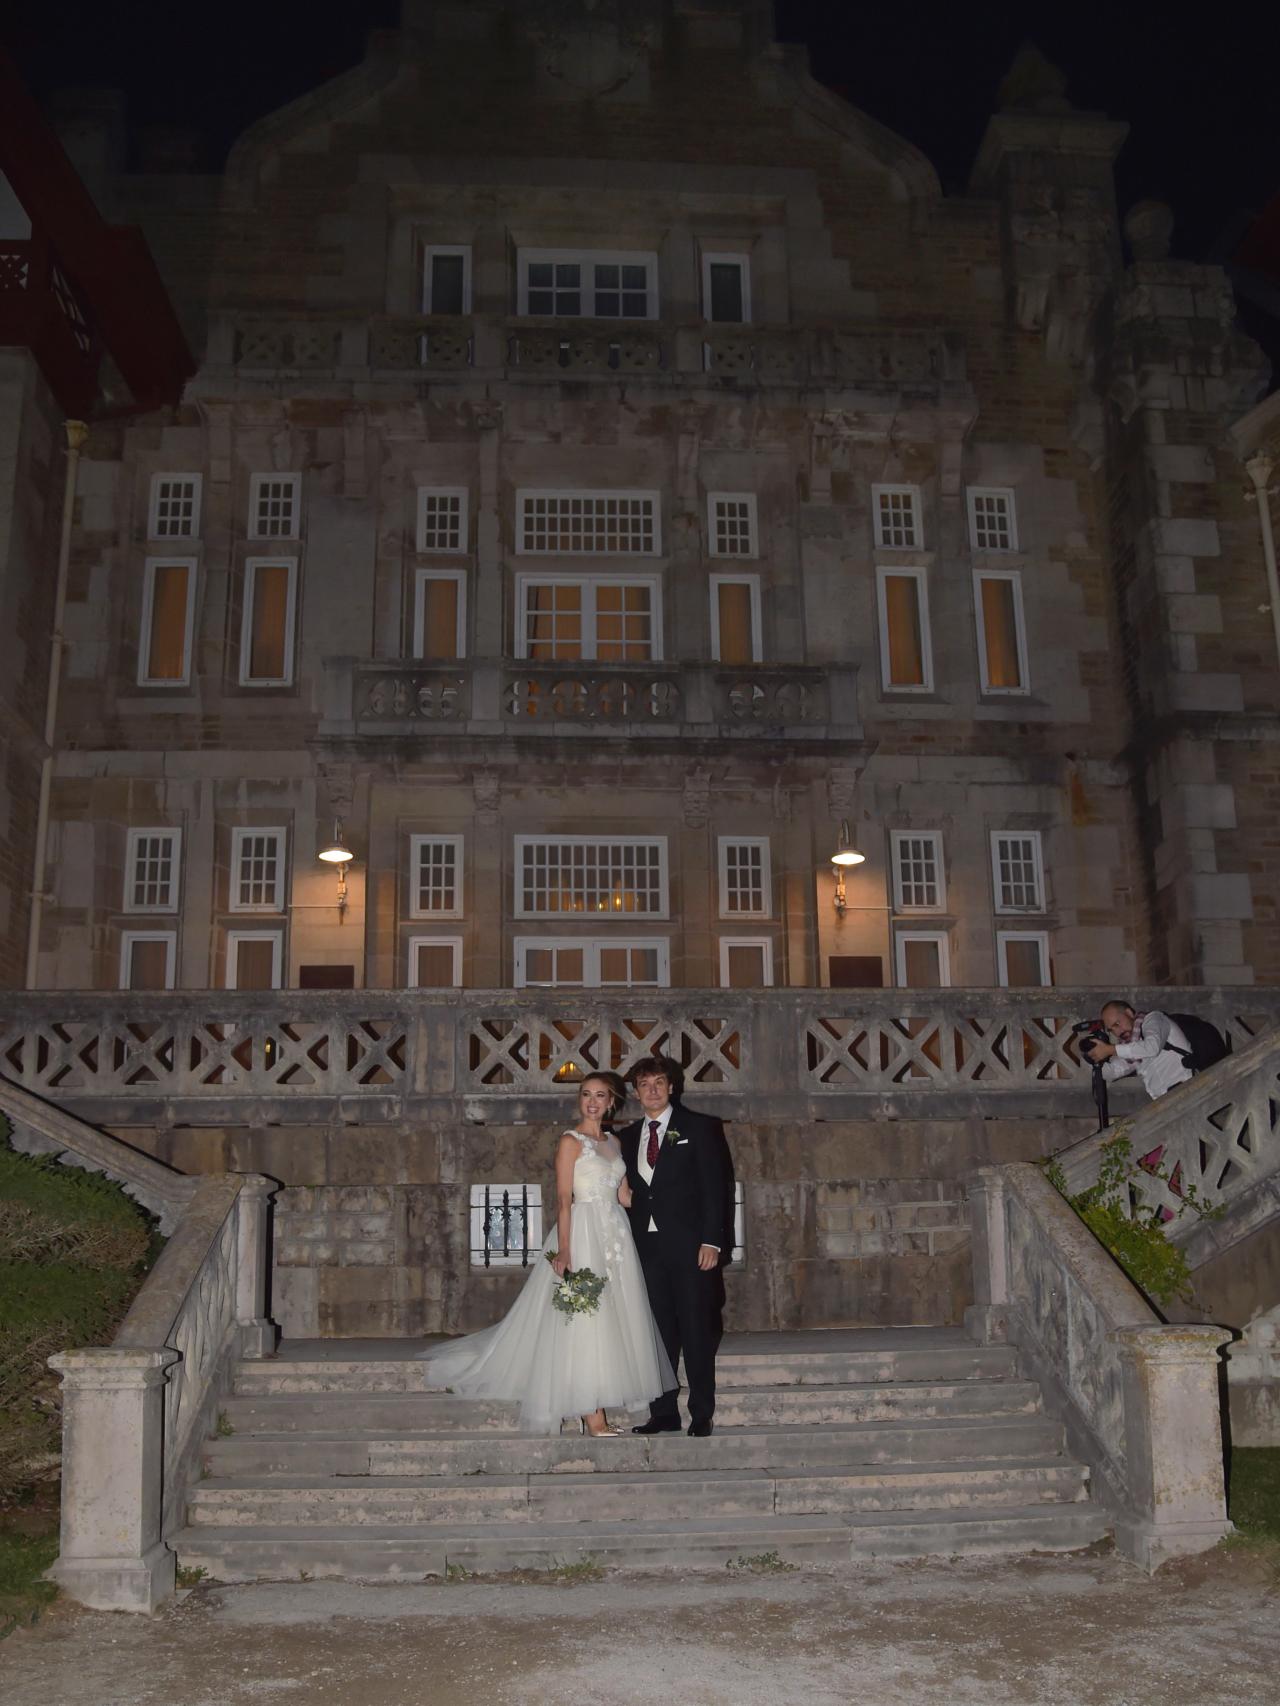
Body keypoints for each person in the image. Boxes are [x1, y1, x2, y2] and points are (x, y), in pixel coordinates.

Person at [420, 1072, 673, 1436]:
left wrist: (669, 1192)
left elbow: (625, 1197)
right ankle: (592, 1415)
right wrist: (566, 1249)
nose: (592, 1101)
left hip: (615, 1235)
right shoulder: (570, 1141)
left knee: (613, 1321)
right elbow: (564, 1199)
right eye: (586, 1094)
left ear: (612, 1101)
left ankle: (595, 1406)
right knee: (586, 1320)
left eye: (600, 1095)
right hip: (583, 1233)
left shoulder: (616, 1143)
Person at [617, 1054, 730, 1438]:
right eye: (644, 1084)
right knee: (656, 1334)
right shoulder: (627, 1137)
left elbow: (716, 1189)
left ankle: (701, 1413)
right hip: (646, 1249)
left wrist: (712, 1240)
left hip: (692, 1248)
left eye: (659, 1083)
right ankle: (663, 1412)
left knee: (697, 1330)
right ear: (635, 1092)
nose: (652, 1090)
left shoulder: (699, 1128)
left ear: (671, 1087)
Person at [1083, 1001, 1194, 1102]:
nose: (1117, 1032)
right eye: (1112, 1030)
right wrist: (1091, 1055)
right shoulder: (1131, 1046)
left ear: (1129, 1013)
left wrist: (1110, 1049)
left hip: (1186, 1091)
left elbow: (1152, 1047)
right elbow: (1113, 1072)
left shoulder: (1154, 1019)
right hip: (1166, 1100)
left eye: (1117, 1024)